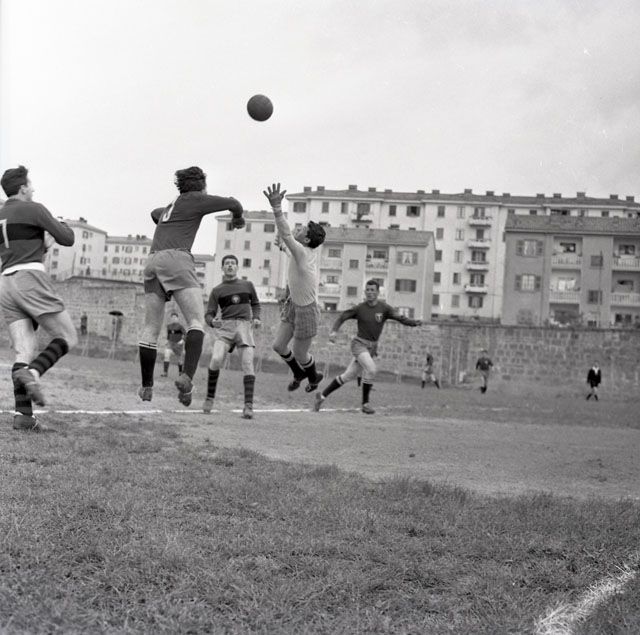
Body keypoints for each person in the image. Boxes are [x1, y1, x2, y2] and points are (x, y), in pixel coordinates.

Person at [138, 166, 245, 406]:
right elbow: (234, 203)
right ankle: (186, 378)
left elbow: (155, 213)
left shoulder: (172, 205)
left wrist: (168, 220)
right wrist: (238, 218)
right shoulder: (196, 199)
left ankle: (146, 386)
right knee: (196, 321)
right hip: (176, 258)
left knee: (150, 328)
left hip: (152, 260)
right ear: (201, 186)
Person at [0, 166, 78, 432]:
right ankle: (33, 373)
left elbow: (19, 247)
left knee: (24, 350)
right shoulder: (34, 209)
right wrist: (60, 224)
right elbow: (67, 238)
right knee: (68, 337)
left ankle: (24, 417)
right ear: (23, 188)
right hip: (29, 278)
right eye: (31, 185)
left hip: (5, 282)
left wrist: (41, 244)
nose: (33, 189)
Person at [314, 279, 422, 415]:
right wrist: (334, 331)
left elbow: (399, 317)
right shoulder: (360, 308)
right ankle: (365, 404)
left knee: (348, 376)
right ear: (365, 292)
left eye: (372, 290)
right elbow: (342, 317)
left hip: (371, 348)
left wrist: (413, 322)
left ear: (378, 292)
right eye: (368, 290)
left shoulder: (384, 308)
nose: (369, 292)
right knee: (371, 369)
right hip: (359, 345)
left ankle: (321, 396)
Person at [263, 182, 326, 393]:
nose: (297, 229)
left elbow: (287, 235)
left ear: (306, 239)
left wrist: (277, 208)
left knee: (300, 353)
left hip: (307, 311)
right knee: (278, 346)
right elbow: (289, 247)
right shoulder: (302, 252)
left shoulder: (303, 253)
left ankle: (314, 377)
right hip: (293, 305)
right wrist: (282, 245)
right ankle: (299, 373)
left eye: (302, 229)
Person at [202, 254, 261, 419]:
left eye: (233, 263)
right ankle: (209, 398)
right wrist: (212, 322)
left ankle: (248, 406)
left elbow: (256, 304)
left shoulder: (247, 285)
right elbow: (209, 313)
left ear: (237, 267)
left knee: (247, 363)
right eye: (227, 263)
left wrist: (256, 318)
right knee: (216, 359)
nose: (230, 265)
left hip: (244, 326)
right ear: (222, 268)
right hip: (226, 327)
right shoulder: (217, 290)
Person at [161, 310, 186, 377]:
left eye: (175, 317)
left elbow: (186, 335)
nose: (174, 318)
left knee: (180, 360)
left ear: (177, 318)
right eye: (172, 317)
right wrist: (167, 341)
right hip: (170, 344)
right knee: (166, 355)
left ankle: (180, 373)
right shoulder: (169, 326)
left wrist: (182, 340)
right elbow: (168, 335)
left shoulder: (180, 326)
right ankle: (165, 373)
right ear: (171, 318)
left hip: (178, 345)